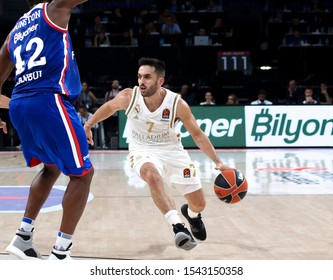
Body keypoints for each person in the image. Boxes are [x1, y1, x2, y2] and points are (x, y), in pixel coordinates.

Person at [84, 57, 231, 251]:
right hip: (142, 150)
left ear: (160, 80)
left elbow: (197, 134)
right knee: (152, 176)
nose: (141, 82)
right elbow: (109, 107)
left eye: (147, 77)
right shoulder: (129, 96)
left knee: (199, 204)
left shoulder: (177, 103)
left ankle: (193, 216)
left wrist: (218, 161)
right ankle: (178, 227)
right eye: (139, 77)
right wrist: (88, 125)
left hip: (172, 150)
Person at [0, 0, 94, 260]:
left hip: (19, 104)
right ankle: (61, 253)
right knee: (83, 175)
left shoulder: (16, 30)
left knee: (51, 168)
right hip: (49, 100)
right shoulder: (53, 9)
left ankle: (23, 236)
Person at [103, 79, 121, 148]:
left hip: (118, 116)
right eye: (114, 83)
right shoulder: (108, 94)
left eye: (117, 83)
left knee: (118, 130)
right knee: (109, 130)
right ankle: (108, 144)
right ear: (112, 84)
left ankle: (118, 144)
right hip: (110, 115)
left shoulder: (121, 93)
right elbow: (105, 104)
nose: (115, 84)